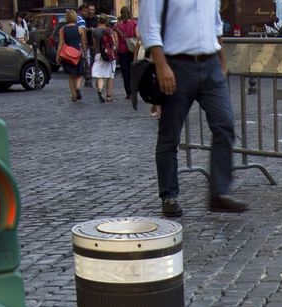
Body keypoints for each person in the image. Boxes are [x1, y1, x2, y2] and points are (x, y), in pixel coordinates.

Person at [140, 0, 246, 216]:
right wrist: (161, 66)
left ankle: (219, 193)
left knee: (225, 123)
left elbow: (216, 24)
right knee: (170, 134)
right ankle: (169, 195)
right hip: (176, 64)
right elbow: (149, 26)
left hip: (211, 66)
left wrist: (222, 64)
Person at [56, 9, 88, 100]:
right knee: (80, 74)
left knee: (71, 76)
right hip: (77, 54)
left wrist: (58, 55)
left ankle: (73, 95)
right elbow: (83, 43)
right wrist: (85, 55)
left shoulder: (63, 29)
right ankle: (78, 87)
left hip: (67, 55)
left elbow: (61, 43)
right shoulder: (80, 29)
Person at [91, 15, 118, 102]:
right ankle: (109, 96)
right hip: (109, 55)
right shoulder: (110, 30)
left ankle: (99, 89)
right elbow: (115, 43)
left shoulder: (94, 31)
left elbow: (94, 45)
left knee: (100, 75)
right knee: (110, 76)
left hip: (98, 54)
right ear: (106, 21)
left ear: (98, 20)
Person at [116, 6, 139, 101]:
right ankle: (134, 91)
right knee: (132, 70)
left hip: (122, 50)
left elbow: (116, 40)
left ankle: (128, 93)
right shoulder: (134, 23)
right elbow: (138, 36)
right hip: (132, 50)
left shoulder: (117, 25)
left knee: (125, 72)